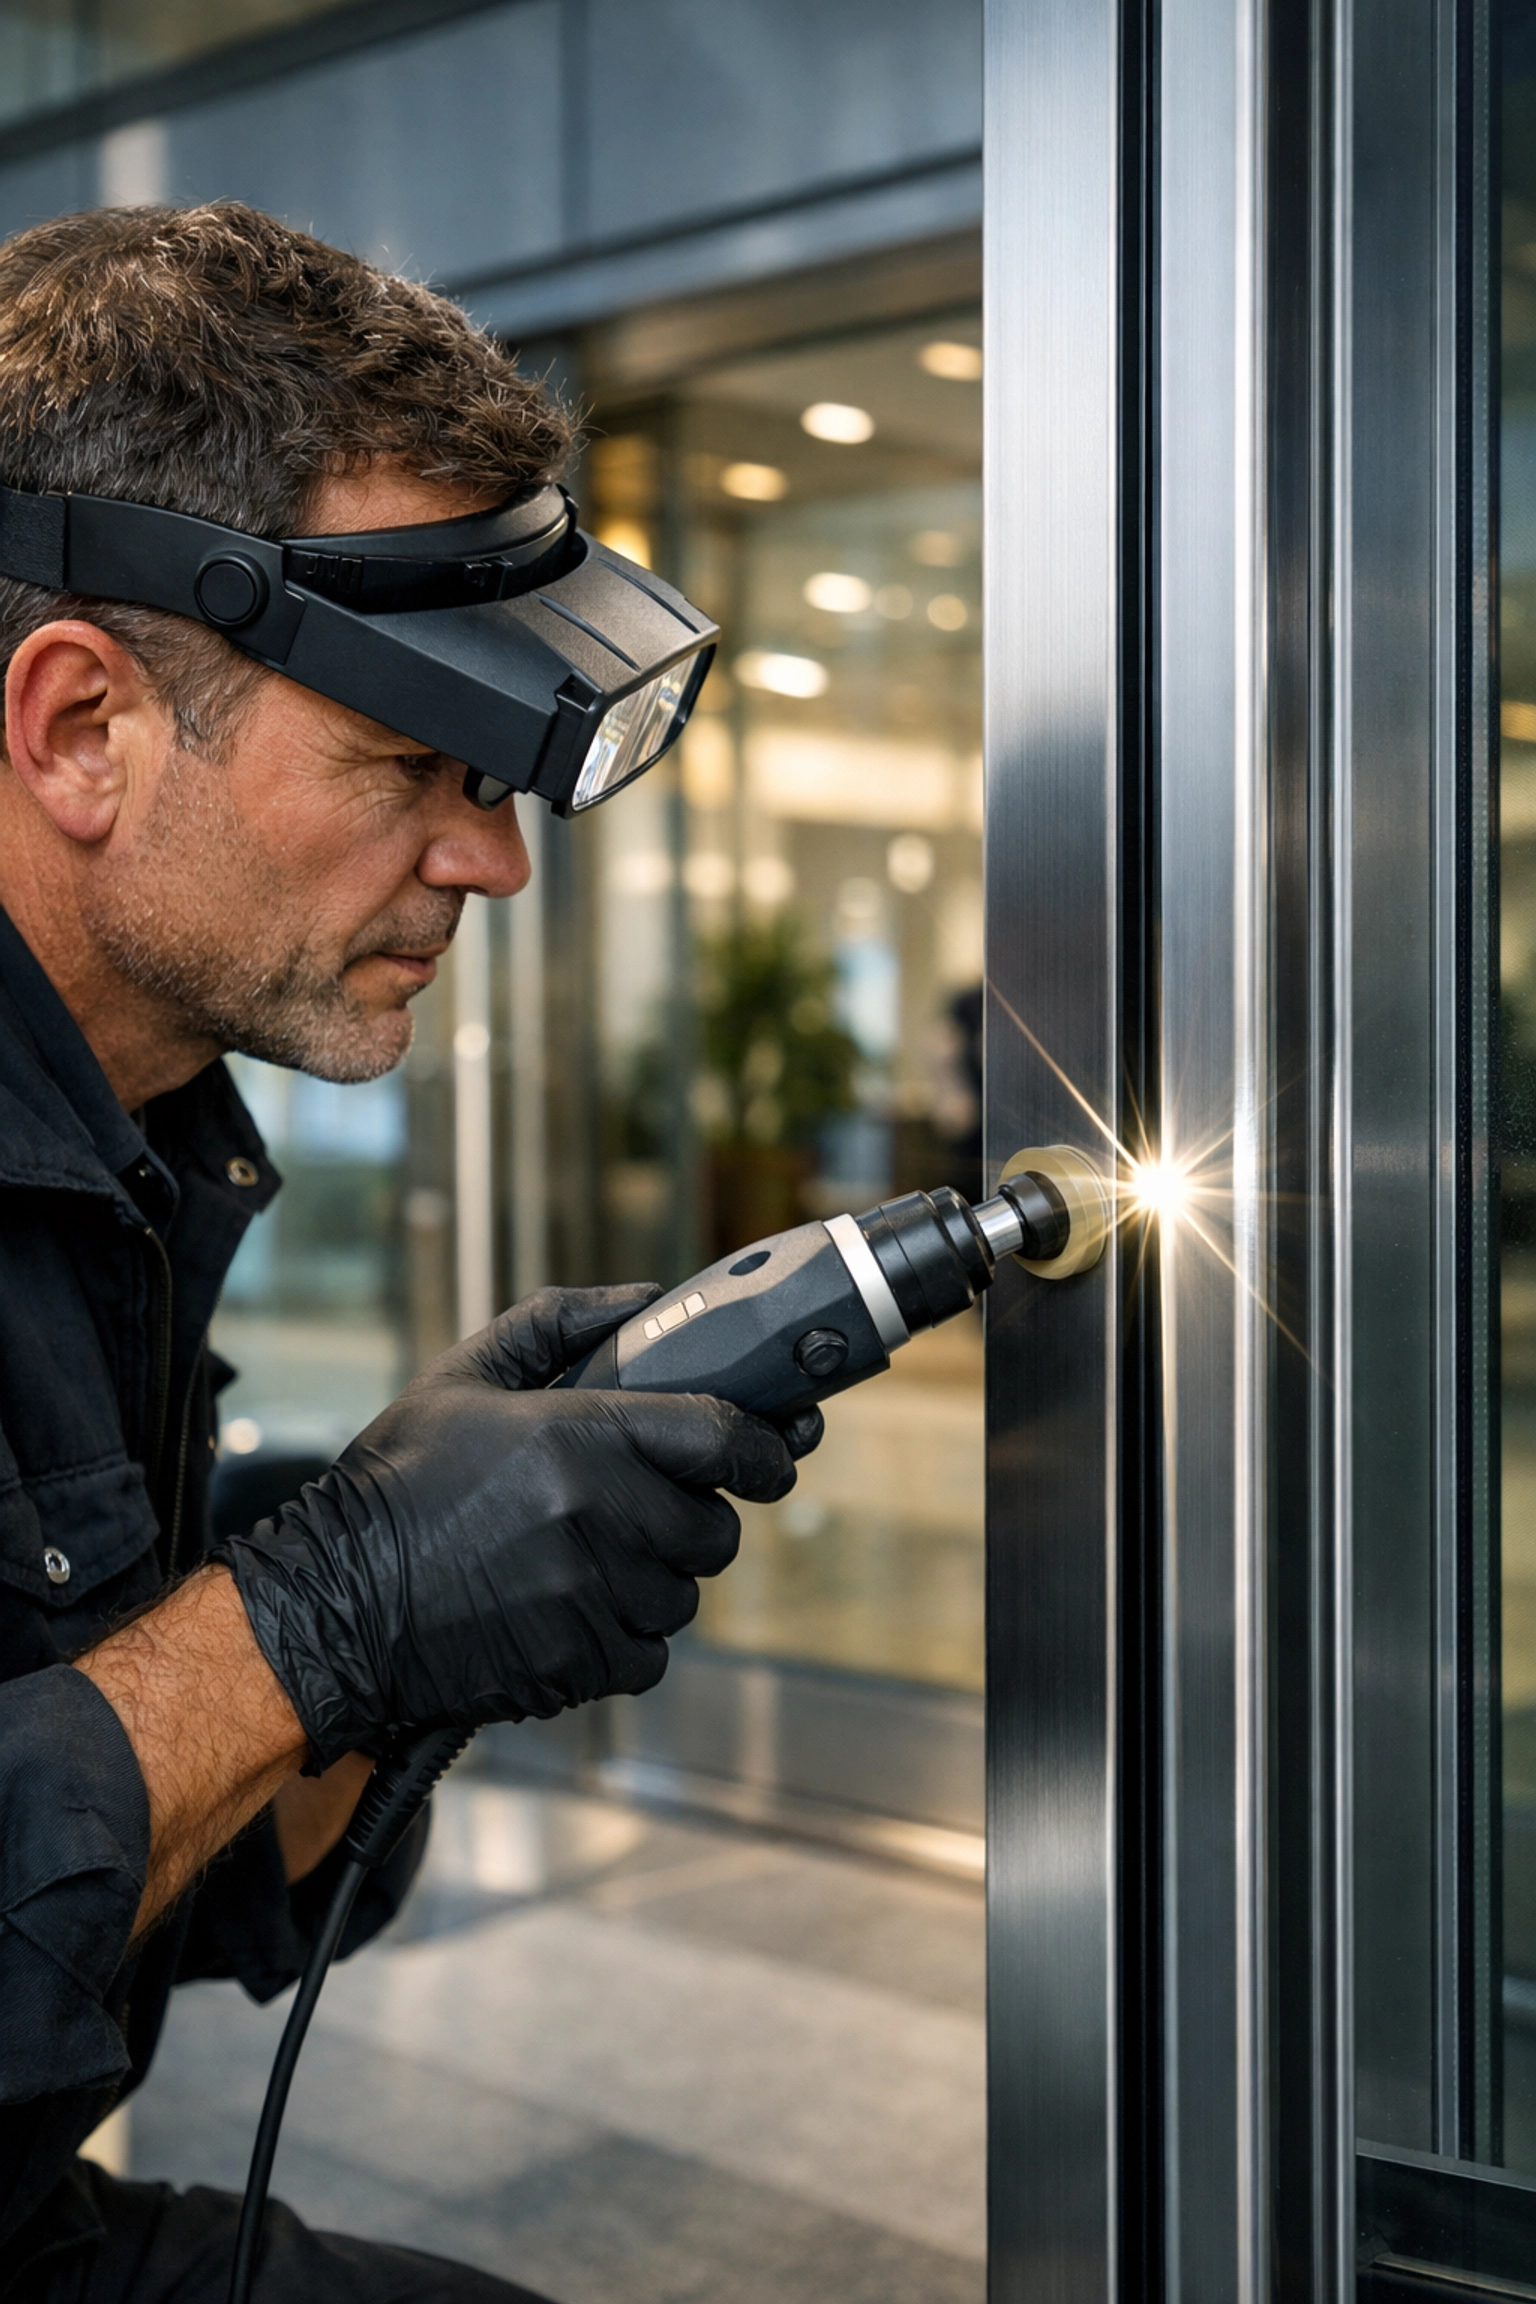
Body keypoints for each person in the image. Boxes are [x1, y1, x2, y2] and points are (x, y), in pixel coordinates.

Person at [0, 203, 818, 2303]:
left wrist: (404, 1606)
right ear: (81, 728)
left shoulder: (131, 1139)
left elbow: (136, 1891)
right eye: (407, 765)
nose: (492, 859)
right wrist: (322, 1615)